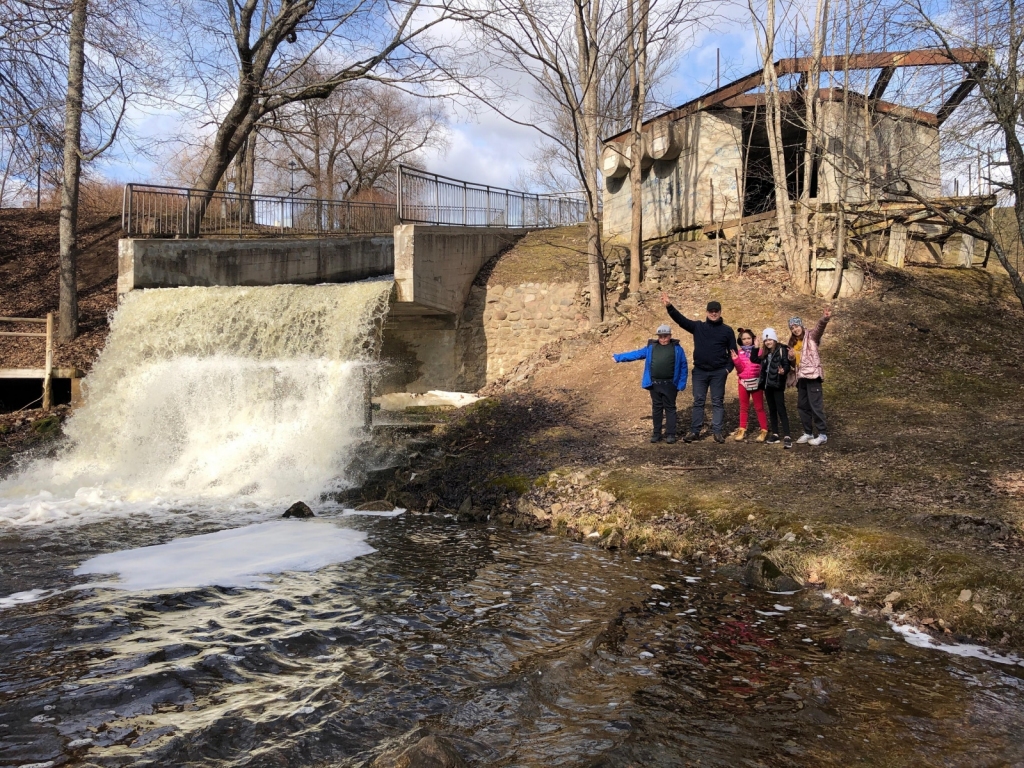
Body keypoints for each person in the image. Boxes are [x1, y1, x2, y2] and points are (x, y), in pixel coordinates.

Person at [660, 294, 737, 444]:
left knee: (717, 401)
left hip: (718, 372)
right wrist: (669, 306)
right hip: (700, 371)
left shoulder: (727, 331)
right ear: (707, 312)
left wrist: (727, 369)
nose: (713, 313)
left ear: (720, 312)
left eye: (716, 311)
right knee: (698, 401)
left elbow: (733, 353)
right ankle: (695, 431)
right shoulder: (698, 327)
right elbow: (681, 320)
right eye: (711, 311)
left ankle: (717, 431)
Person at [613, 324, 689, 444]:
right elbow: (636, 354)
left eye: (666, 336)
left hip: (670, 384)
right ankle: (656, 433)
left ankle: (671, 434)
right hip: (654, 384)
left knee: (670, 409)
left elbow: (684, 366)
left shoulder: (677, 349)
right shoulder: (651, 347)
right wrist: (619, 357)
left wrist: (681, 384)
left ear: (670, 336)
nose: (663, 339)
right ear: (658, 337)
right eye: (661, 336)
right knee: (657, 409)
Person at [788, 308, 832, 446]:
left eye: (797, 326)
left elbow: (819, 328)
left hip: (813, 377)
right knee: (802, 406)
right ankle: (808, 433)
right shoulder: (793, 343)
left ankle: (822, 434)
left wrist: (824, 319)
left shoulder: (811, 336)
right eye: (792, 327)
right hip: (801, 378)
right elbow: (794, 363)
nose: (795, 329)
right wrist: (790, 358)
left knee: (815, 406)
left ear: (801, 325)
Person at [748, 328, 793, 448]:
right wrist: (756, 347)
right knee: (772, 410)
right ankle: (775, 434)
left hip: (777, 384)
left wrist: (783, 371)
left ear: (774, 339)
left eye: (770, 339)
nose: (768, 342)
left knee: (781, 409)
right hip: (767, 385)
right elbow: (754, 359)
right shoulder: (765, 352)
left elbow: (786, 364)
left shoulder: (782, 349)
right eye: (766, 340)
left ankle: (787, 435)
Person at [729, 328, 769, 442]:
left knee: (759, 407)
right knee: (743, 407)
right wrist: (736, 360)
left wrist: (756, 348)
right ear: (741, 340)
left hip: (756, 382)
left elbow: (761, 366)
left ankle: (764, 430)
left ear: (753, 339)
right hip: (743, 382)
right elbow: (740, 369)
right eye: (744, 339)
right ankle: (742, 429)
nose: (746, 341)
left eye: (748, 338)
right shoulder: (739, 352)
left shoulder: (760, 351)